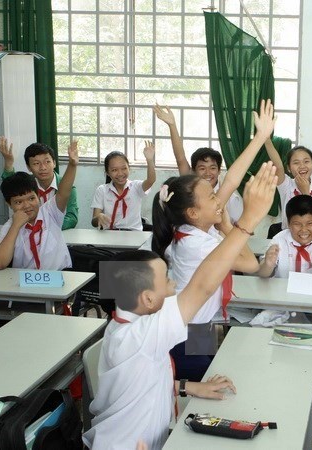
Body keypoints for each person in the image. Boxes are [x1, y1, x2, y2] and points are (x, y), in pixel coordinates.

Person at [82, 161, 278, 450]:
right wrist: (248, 220)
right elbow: (201, 286)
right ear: (147, 298)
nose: (174, 286)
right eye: (166, 281)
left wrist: (189, 387)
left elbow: (148, 378)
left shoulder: (128, 325)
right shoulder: (141, 335)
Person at [151, 100, 276, 381]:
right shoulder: (197, 243)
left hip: (198, 325)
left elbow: (231, 178)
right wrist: (231, 223)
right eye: (211, 197)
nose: (218, 198)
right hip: (183, 333)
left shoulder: (195, 225)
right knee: (199, 389)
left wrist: (260, 137)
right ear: (194, 212)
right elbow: (249, 264)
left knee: (204, 378)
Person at [153, 104, 244, 224]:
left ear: (219, 170)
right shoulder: (190, 185)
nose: (208, 173)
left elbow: (237, 228)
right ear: (193, 171)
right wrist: (172, 125)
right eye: (202, 168)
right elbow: (180, 158)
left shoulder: (230, 196)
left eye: (212, 168)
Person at [0, 142, 79, 270]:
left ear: (38, 196)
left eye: (31, 198)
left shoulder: (49, 212)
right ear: (9, 204)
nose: (27, 206)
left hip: (59, 277)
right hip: (26, 283)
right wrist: (15, 226)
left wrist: (72, 165)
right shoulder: (9, 226)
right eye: (19, 202)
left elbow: (64, 192)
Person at [256, 194, 312, 293]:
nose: (304, 230)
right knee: (267, 310)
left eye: (310, 223)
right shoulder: (279, 240)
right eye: (297, 224)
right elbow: (262, 273)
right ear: (288, 223)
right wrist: (268, 264)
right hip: (281, 299)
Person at [0, 137, 79, 230]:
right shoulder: (27, 184)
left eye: (47, 162)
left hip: (57, 234)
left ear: (54, 163)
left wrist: (43, 227)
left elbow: (72, 219)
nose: (43, 167)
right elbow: (11, 188)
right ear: (29, 167)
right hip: (28, 233)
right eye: (36, 163)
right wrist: (8, 163)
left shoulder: (67, 187)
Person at [264, 138, 312, 234]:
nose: (302, 166)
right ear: (289, 168)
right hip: (288, 238)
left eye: (306, 161)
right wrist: (266, 138)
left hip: (311, 239)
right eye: (296, 163)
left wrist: (305, 193)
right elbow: (278, 166)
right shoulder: (286, 185)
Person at [91, 142, 156, 231]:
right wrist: (98, 217)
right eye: (114, 170)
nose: (120, 173)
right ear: (107, 172)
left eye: (124, 168)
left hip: (133, 235)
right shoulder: (102, 190)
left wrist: (149, 160)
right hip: (109, 236)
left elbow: (151, 180)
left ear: (129, 168)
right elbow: (94, 222)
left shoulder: (136, 187)